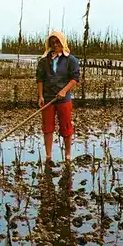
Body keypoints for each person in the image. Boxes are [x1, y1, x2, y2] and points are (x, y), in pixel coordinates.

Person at [36, 31, 80, 163]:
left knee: (66, 126)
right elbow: (40, 79)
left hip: (63, 99)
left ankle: (67, 155)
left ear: (62, 42)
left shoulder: (70, 60)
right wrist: (40, 96)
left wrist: (64, 91)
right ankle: (48, 155)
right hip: (48, 98)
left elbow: (75, 78)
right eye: (52, 42)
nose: (55, 45)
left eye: (57, 42)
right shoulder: (44, 60)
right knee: (47, 127)